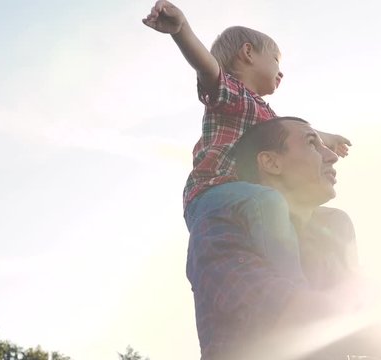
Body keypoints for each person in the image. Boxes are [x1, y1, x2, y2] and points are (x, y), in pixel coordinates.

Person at [142, 0, 351, 283]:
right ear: (248, 53)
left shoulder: (267, 115)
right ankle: (294, 289)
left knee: (330, 220)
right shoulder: (230, 94)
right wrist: (182, 31)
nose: (281, 71)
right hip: (211, 195)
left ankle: (345, 289)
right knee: (270, 201)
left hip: (247, 197)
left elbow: (301, 131)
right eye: (276, 60)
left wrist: (328, 138)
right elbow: (207, 68)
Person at [186, 116, 365, 359]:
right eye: (312, 143)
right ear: (270, 162)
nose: (332, 156)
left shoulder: (332, 231)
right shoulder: (219, 228)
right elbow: (282, 310)